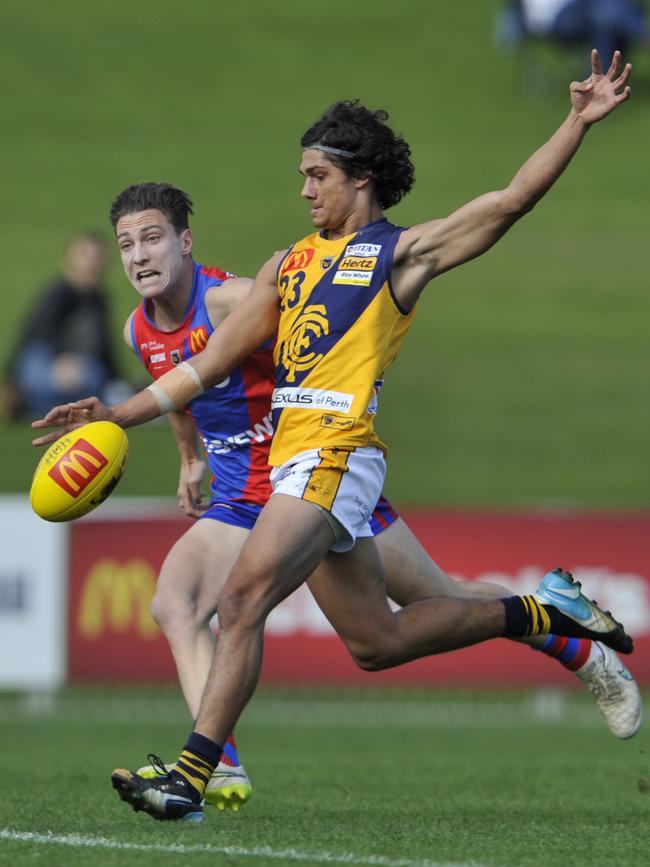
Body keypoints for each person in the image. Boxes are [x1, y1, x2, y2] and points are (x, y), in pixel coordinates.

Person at [33, 51, 637, 823]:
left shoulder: (401, 253)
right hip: (295, 466)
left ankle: (191, 777)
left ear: (360, 178)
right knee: (377, 643)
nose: (304, 188)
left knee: (242, 596)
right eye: (302, 176)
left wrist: (576, 121)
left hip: (339, 454)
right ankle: (543, 614)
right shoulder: (286, 265)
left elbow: (510, 201)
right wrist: (116, 414)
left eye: (316, 175)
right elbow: (209, 362)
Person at [2, 232, 130, 420]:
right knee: (57, 380)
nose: (91, 264)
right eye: (85, 256)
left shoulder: (99, 301)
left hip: (85, 369)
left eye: (97, 259)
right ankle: (25, 401)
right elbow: (34, 336)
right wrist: (61, 360)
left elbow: (105, 349)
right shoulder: (57, 294)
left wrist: (119, 379)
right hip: (47, 364)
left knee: (100, 382)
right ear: (70, 261)